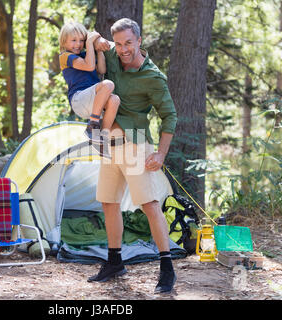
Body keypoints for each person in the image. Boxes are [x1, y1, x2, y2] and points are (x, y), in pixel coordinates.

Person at [87, 18, 178, 294]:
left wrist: (161, 154)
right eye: (119, 43)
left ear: (139, 40)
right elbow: (89, 40)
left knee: (149, 204)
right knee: (108, 201)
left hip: (137, 142)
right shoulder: (112, 56)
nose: (123, 49)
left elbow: (169, 116)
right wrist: (95, 38)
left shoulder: (153, 77)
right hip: (109, 142)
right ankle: (115, 261)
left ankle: (167, 268)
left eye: (129, 42)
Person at [58, 22, 120, 148]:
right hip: (79, 99)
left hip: (93, 101)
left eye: (81, 40)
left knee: (115, 100)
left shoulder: (87, 55)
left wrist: (99, 51)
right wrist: (89, 43)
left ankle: (103, 137)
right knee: (108, 85)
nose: (78, 44)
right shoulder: (65, 57)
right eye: (73, 40)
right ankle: (93, 126)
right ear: (64, 42)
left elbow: (101, 70)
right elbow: (89, 66)